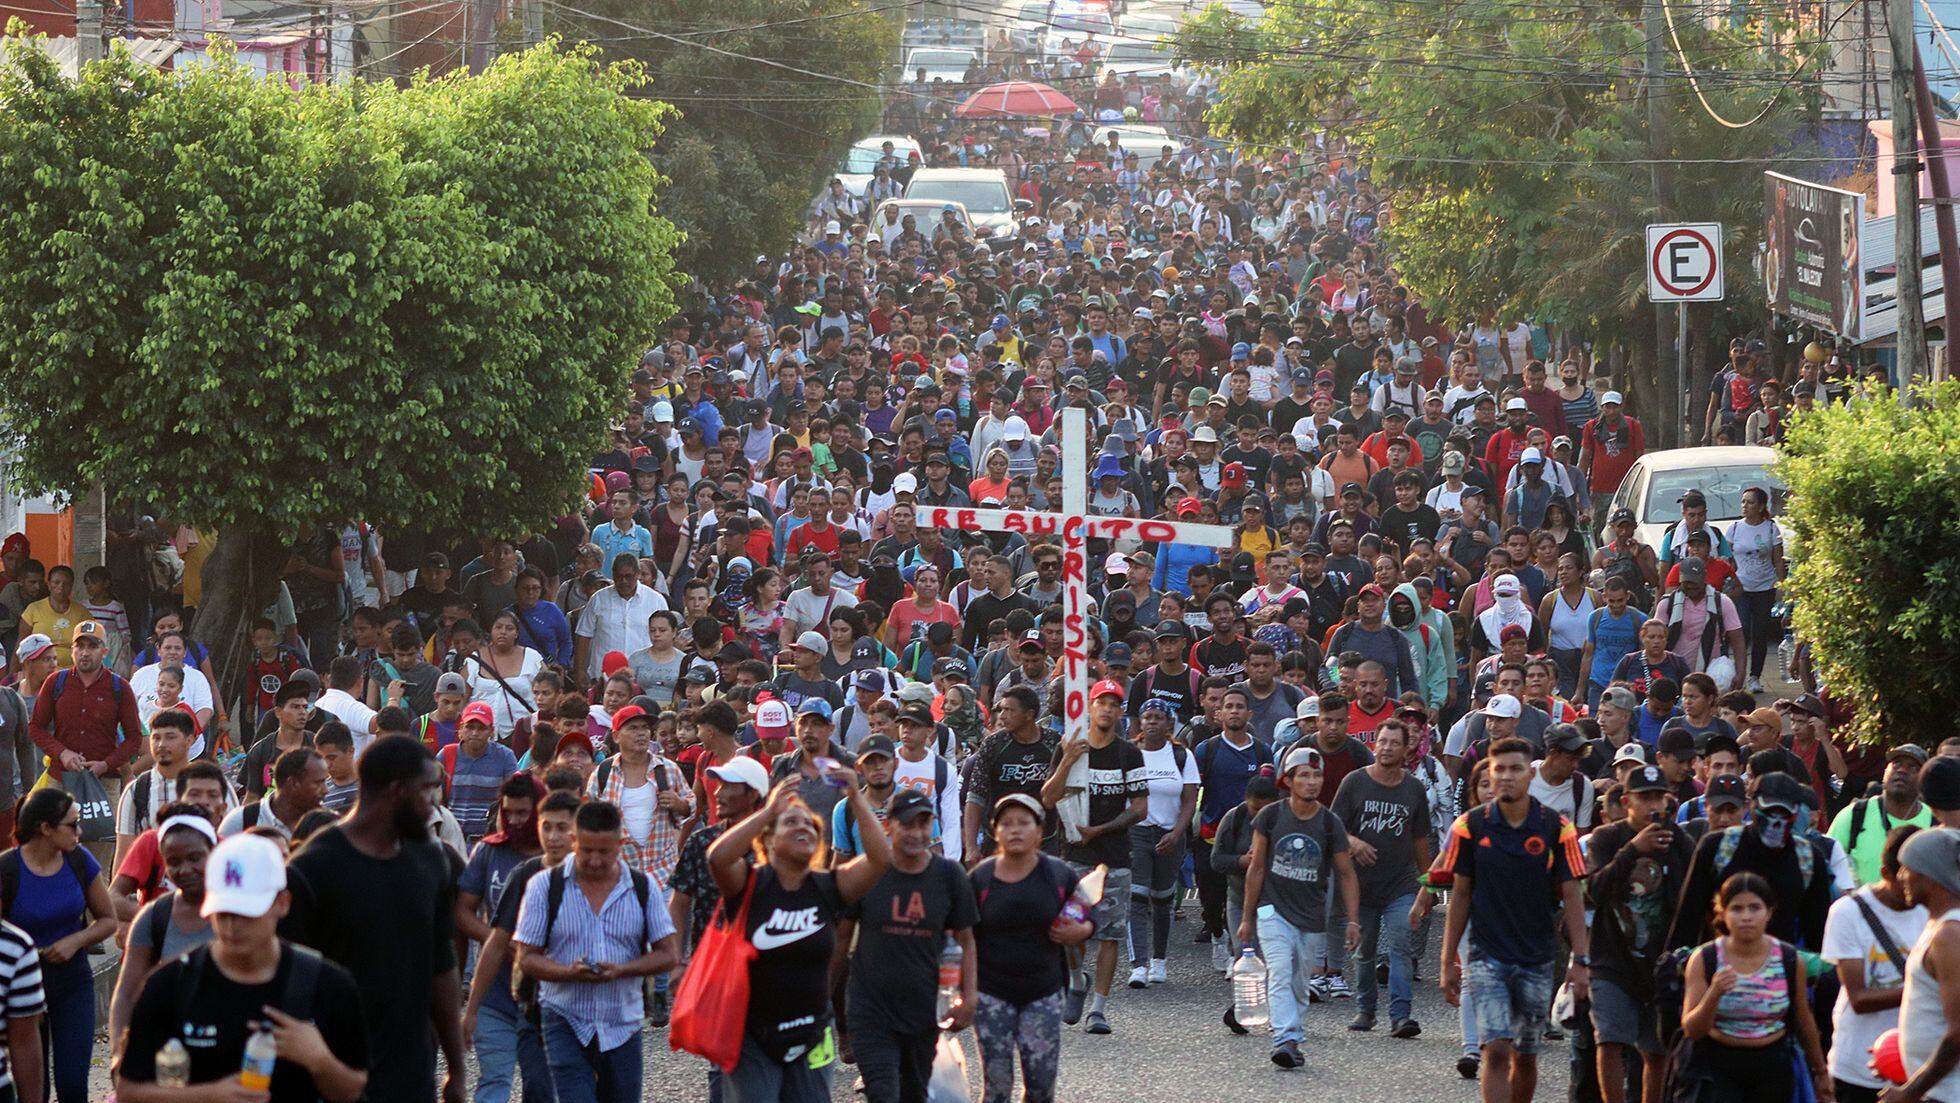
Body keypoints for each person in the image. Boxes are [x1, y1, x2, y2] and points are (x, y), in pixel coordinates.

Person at [114, 832, 369, 1103]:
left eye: (247, 913)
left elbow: (353, 1090)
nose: (232, 927)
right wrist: (208, 1096)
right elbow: (128, 1092)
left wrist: (319, 1059)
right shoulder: (171, 984)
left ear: (282, 903)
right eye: (223, 913)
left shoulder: (327, 984)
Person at [280, 735, 465, 1103]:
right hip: (331, 1075)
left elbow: (441, 969)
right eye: (427, 791)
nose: (435, 805)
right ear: (396, 791)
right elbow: (283, 981)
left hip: (411, 1072)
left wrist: (457, 1071)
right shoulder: (312, 870)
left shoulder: (430, 861)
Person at [1437, 736, 1591, 1103]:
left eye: (1515, 769)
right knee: (1496, 1049)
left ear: (1530, 773)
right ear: (1489, 772)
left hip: (1537, 955)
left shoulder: (1557, 828)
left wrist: (1580, 959)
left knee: (1524, 1054)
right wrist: (1447, 961)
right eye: (1499, 769)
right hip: (1486, 954)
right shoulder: (1470, 826)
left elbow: (1573, 895)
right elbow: (1460, 894)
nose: (1506, 777)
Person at [512, 799, 679, 1103]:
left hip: (623, 1023)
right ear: (574, 840)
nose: (595, 860)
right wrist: (569, 973)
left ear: (620, 844)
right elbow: (527, 957)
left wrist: (624, 969)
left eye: (604, 851)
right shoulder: (543, 887)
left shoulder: (643, 888)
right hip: (563, 1019)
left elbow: (668, 953)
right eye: (586, 850)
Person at [837, 788, 978, 1103]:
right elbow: (842, 935)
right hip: (869, 1009)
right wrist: (823, 994)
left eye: (924, 824)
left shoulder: (950, 876)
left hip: (923, 1011)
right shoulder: (869, 872)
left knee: (914, 1094)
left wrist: (969, 997)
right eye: (907, 824)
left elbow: (966, 940)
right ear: (888, 826)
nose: (917, 833)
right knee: (883, 1092)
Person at [1236, 745, 1361, 1070]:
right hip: (1270, 910)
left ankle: (1293, 1032)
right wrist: (1247, 917)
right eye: (1304, 775)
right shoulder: (1271, 816)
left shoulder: (1330, 823)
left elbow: (1346, 874)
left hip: (1311, 915)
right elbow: (1257, 868)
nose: (1312, 781)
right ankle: (1285, 1039)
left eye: (1317, 775)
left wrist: (1352, 920)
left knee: (1299, 980)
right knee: (1279, 970)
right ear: (1288, 780)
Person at [1584, 764, 1698, 1103]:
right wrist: (1633, 848)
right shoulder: (1607, 838)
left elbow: (1695, 899)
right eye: (1644, 798)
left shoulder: (1680, 842)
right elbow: (1594, 890)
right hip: (1611, 960)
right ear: (1628, 800)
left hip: (1662, 964)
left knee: (1656, 1050)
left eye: (1658, 798)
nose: (1653, 806)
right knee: (1609, 1039)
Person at [969, 793, 1093, 1103]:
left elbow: (1090, 915)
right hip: (991, 994)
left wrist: (1081, 930)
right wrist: (961, 991)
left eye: (1024, 823)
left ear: (1039, 831)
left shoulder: (1058, 874)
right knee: (996, 1085)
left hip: (1043, 992)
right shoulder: (980, 879)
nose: (1015, 830)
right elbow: (961, 938)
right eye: (1006, 824)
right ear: (995, 831)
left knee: (1040, 1085)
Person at [1040, 679, 1146, 1037]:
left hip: (1114, 855)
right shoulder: (1070, 746)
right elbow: (1048, 798)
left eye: (1114, 704)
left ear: (1120, 711)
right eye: (1102, 702)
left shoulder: (1128, 753)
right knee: (1071, 931)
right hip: (1075, 854)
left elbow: (1140, 807)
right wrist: (1069, 759)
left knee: (1111, 933)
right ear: (1090, 706)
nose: (1107, 709)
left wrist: (1101, 829)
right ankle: (1075, 979)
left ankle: (1098, 1010)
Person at [463, 788, 579, 1103]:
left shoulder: (601, 875)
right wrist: (471, 1009)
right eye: (547, 826)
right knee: (527, 1086)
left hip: (583, 1009)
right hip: (527, 1004)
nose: (553, 836)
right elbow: (496, 942)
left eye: (562, 827)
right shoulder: (523, 873)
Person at [1677, 872, 1833, 1103]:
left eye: (1755, 908)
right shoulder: (1705, 959)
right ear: (1722, 913)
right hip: (1719, 1067)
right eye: (1737, 909)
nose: (1746, 917)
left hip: (1773, 1065)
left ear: (1769, 913)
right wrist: (1714, 994)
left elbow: (1803, 1018)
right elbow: (1692, 1029)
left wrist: (1821, 1072)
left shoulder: (1789, 959)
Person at [4, 788, 113, 1103]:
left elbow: (107, 919)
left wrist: (76, 940)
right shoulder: (8, 870)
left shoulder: (80, 861)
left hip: (72, 982)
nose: (80, 832)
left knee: (73, 1084)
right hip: (22, 990)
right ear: (46, 829)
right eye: (72, 824)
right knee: (34, 1089)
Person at [1330, 717, 1432, 1038]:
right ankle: (1366, 1009)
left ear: (1407, 749)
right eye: (1382, 741)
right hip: (1359, 886)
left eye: (1394, 743)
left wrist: (1427, 886)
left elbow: (1420, 840)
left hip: (1400, 884)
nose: (1386, 748)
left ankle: (1401, 1016)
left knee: (1400, 946)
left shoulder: (1413, 788)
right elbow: (1333, 827)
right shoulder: (1354, 782)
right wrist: (1354, 841)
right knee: (1364, 949)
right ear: (1374, 744)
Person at [1822, 824, 1927, 1103]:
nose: (1915, 891)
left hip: (1920, 1070)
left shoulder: (1936, 911)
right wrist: (1927, 991)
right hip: (1858, 1069)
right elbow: (1858, 998)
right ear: (1885, 874)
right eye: (1905, 881)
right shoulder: (1847, 913)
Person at [107, 809, 217, 1057]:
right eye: (174, 862)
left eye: (195, 858)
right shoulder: (153, 917)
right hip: (166, 1051)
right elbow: (125, 992)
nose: (185, 869)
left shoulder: (238, 912)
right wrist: (119, 1052)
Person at [1891, 826, 1960, 1103]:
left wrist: (1911, 1092)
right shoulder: (1936, 926)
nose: (1900, 877)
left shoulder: (1949, 934)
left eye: (1907, 868)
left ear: (1929, 875)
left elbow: (1959, 1033)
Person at [1830, 747, 1935, 889]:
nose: (1902, 770)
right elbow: (1827, 865)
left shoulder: (1935, 823)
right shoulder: (1853, 815)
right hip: (1860, 908)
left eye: (1913, 768)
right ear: (1885, 772)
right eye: (1896, 763)